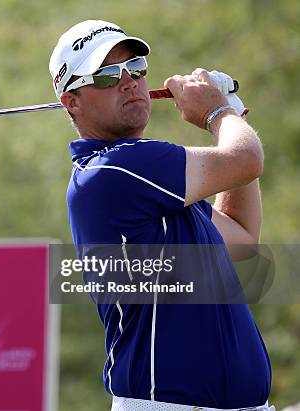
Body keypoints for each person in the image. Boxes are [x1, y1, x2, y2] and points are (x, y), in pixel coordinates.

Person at [49, 20, 273, 410]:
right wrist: (218, 112)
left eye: (135, 68)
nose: (129, 81)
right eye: (105, 75)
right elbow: (246, 159)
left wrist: (229, 113)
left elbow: (240, 238)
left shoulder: (150, 182)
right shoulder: (117, 170)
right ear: (72, 101)